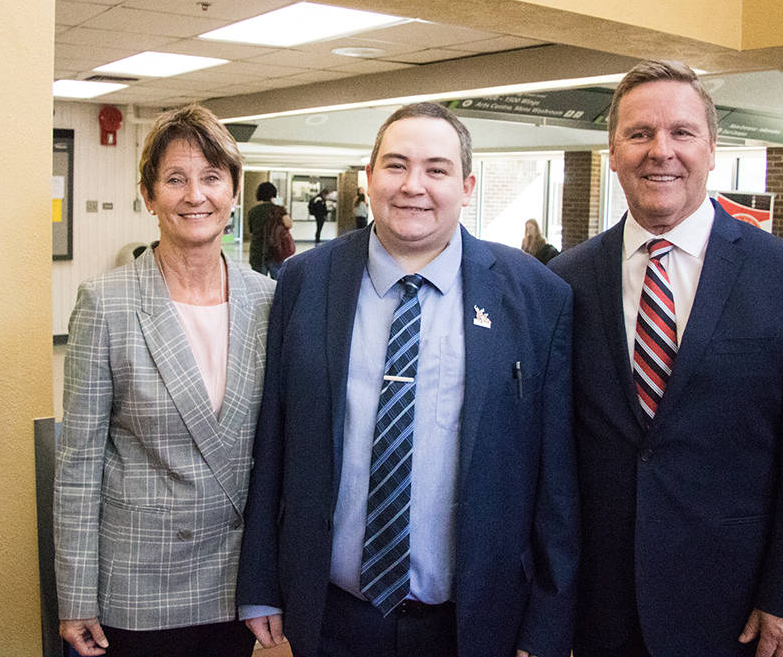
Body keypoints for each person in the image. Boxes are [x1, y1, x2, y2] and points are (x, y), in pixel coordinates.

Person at [237, 102, 578, 657]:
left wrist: (546, 626)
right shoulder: (306, 281)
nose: (413, 186)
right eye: (395, 166)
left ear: (466, 186)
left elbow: (556, 477)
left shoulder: (536, 296)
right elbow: (272, 439)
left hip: (475, 621)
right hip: (333, 615)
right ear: (369, 179)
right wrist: (260, 584)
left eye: (436, 170)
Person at [547, 60, 783, 657]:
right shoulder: (565, 282)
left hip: (731, 604)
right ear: (612, 153)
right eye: (639, 134)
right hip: (600, 603)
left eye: (682, 133)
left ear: (712, 149)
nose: (661, 151)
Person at [55, 104, 276, 657]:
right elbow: (78, 463)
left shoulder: (270, 301)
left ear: (233, 192)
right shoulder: (106, 303)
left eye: (211, 178)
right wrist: (75, 593)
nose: (194, 195)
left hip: (234, 583)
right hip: (138, 586)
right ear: (149, 195)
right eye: (175, 179)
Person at [247, 180, 292, 279]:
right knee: (277, 283)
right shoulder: (279, 210)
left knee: (258, 282)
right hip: (275, 250)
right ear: (273, 193)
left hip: (257, 252)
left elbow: (251, 230)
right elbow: (288, 224)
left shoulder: (253, 211)